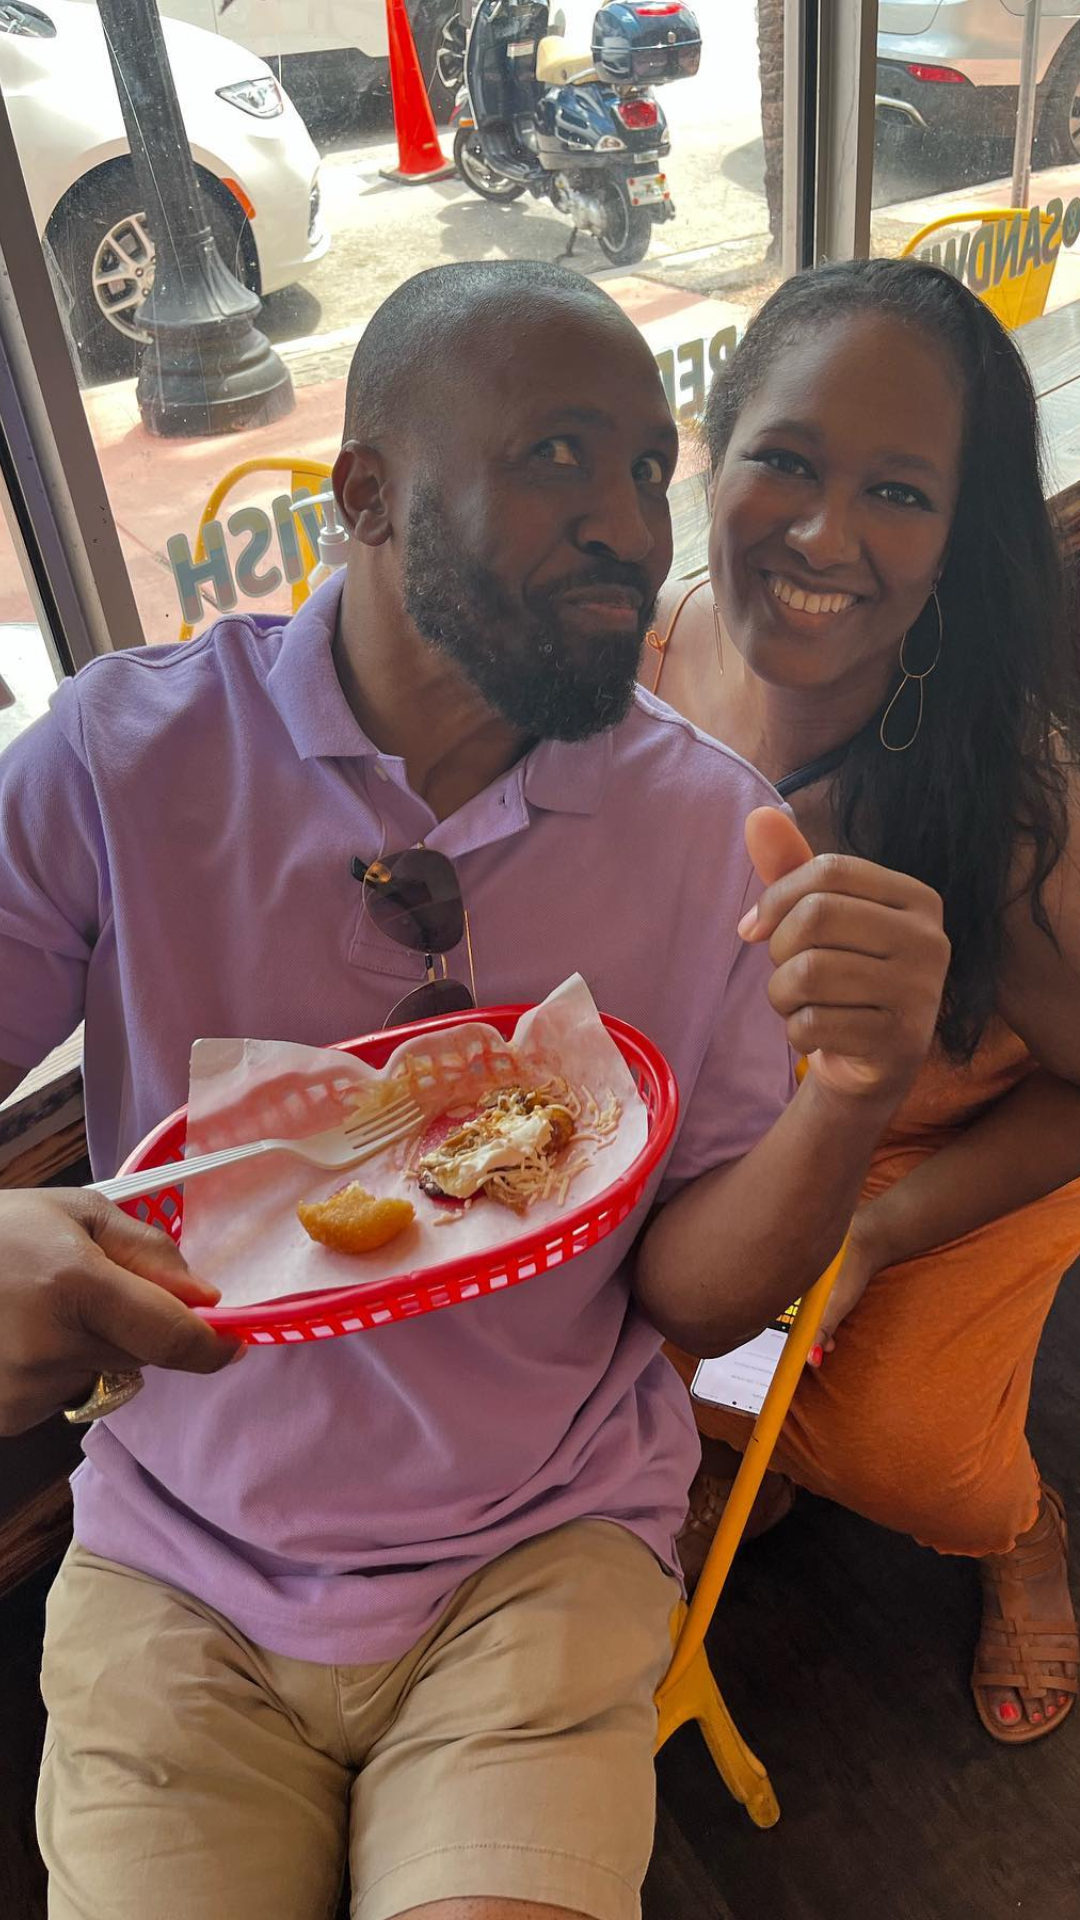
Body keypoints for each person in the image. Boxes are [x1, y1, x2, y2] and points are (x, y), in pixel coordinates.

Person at [0, 259, 947, 1920]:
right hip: (176, 1560)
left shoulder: (706, 826)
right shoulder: (120, 763)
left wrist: (849, 1099)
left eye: (650, 468)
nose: (629, 522)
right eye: (557, 456)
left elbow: (684, 1289)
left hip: (540, 1546)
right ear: (365, 490)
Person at [647, 256, 1080, 1747]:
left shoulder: (1009, 805)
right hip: (740, 1133)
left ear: (961, 538)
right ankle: (739, 1451)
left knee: (914, 1463)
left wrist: (880, 1226)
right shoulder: (644, 654)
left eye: (901, 492)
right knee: (640, 1364)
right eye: (786, 459)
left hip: (950, 1157)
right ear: (717, 444)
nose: (824, 534)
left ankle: (1017, 1520)